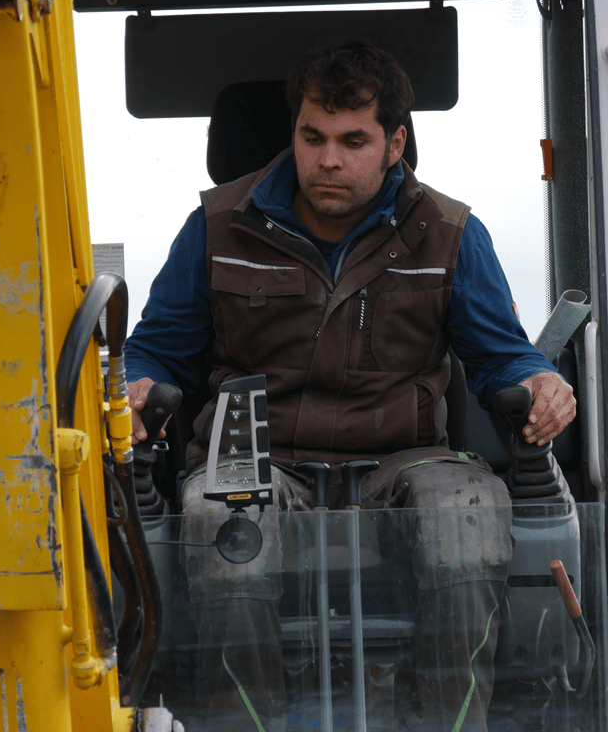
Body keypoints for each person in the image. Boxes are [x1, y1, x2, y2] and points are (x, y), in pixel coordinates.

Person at [124, 40, 576, 731]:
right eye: (313, 137)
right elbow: (156, 349)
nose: (328, 159)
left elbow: (499, 357)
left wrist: (540, 382)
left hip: (404, 458)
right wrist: (134, 385)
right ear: (296, 133)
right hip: (261, 460)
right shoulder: (218, 227)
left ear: (395, 143)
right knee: (223, 516)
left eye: (352, 140)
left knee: (467, 511)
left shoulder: (449, 233)